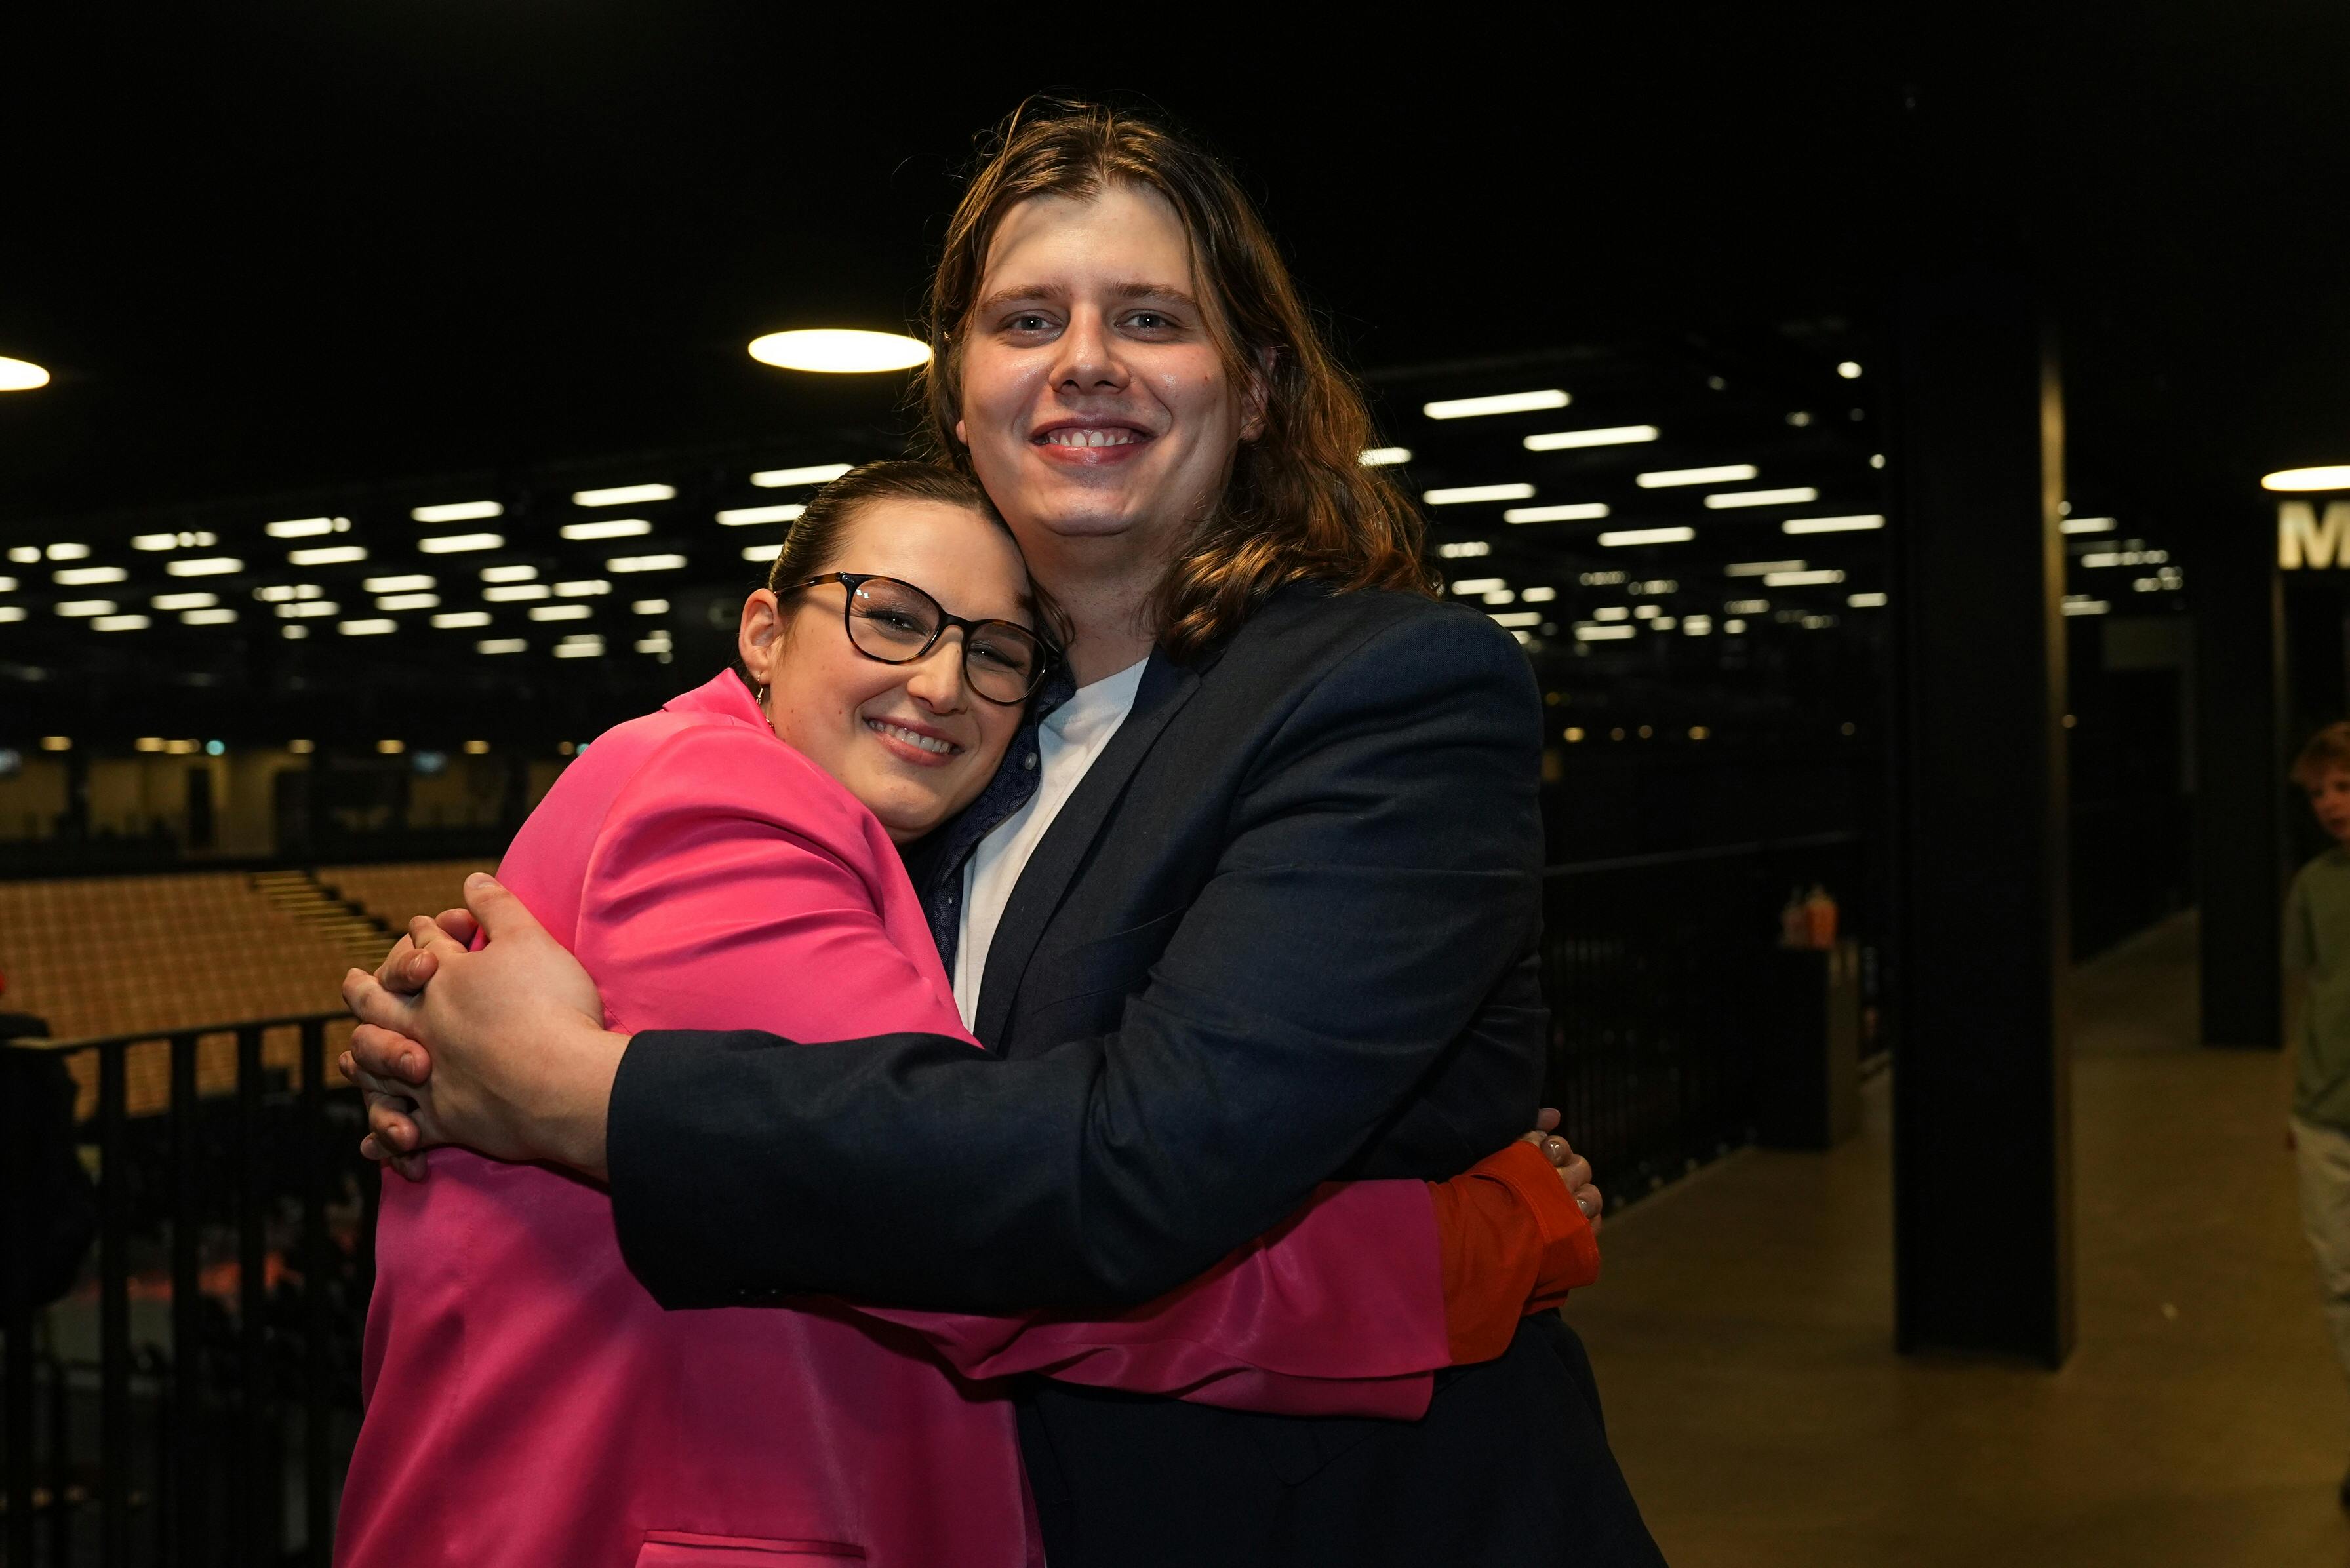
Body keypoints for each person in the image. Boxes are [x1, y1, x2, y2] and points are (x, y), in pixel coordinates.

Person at [346, 98, 1664, 1565]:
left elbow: (1136, 1173)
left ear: (1259, 390)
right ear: (961, 398)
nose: (1084, 360)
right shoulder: (921, 748)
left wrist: (583, 1093)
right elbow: (904, 1158)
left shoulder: (1386, 687)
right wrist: (1450, 1253)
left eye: (1153, 316)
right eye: (1026, 317)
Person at [2287, 720, 2350, 1509]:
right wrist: (2296, 1103)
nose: (2331, 805)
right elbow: (2314, 1000)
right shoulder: (2312, 885)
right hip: (2323, 1119)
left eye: (2341, 786)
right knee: (2340, 1284)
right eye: (2316, 794)